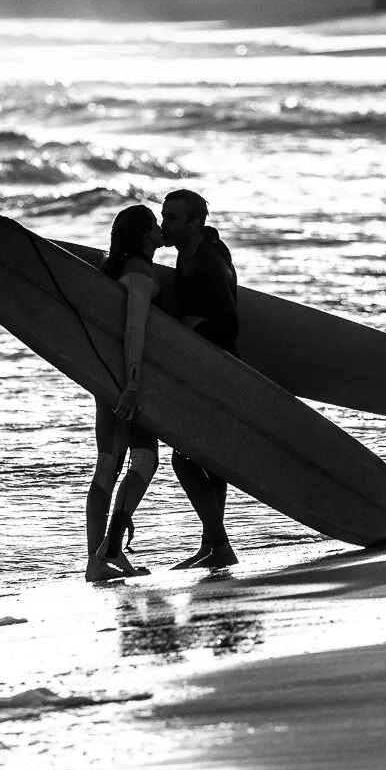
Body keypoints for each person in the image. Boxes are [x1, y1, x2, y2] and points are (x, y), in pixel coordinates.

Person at [159, 188, 240, 570]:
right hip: (201, 371)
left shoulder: (207, 261)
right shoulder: (186, 252)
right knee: (208, 461)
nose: (164, 224)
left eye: (173, 218)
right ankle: (211, 545)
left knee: (184, 459)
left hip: (218, 373)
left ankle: (220, 544)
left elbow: (230, 324)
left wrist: (196, 326)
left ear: (195, 222)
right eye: (163, 217)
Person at [85, 205, 163, 582]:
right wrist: (133, 384)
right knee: (145, 460)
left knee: (108, 464)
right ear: (144, 235)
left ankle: (97, 561)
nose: (160, 230)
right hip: (129, 382)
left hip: (104, 379)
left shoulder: (112, 269)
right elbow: (135, 330)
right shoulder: (140, 272)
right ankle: (108, 550)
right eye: (155, 226)